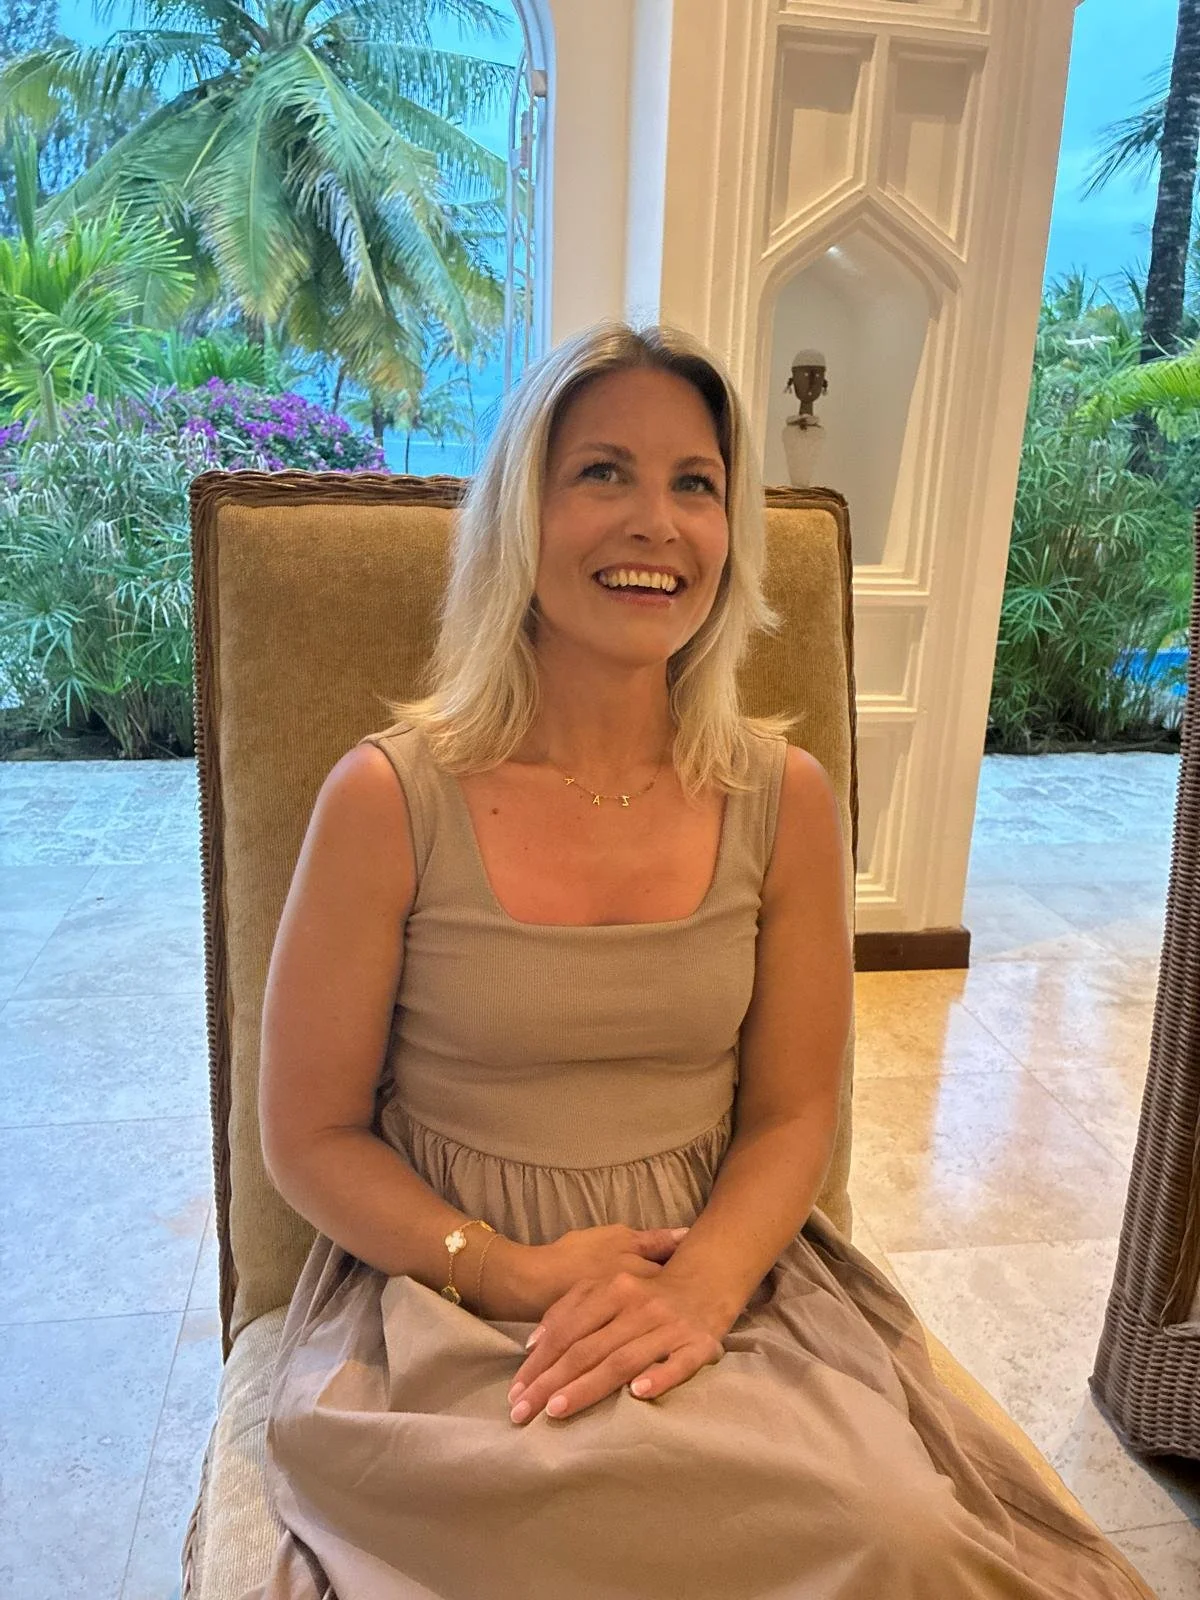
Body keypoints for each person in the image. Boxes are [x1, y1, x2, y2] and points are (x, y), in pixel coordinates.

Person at [245, 322, 1155, 1598]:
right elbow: (309, 1135)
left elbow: (792, 1113)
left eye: (696, 483)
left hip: (718, 1270)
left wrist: (704, 1288)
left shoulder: (785, 799)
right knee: (546, 1513)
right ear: (520, 515)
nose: (656, 523)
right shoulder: (388, 799)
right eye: (602, 472)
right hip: (449, 1298)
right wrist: (504, 1269)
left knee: (896, 1529)